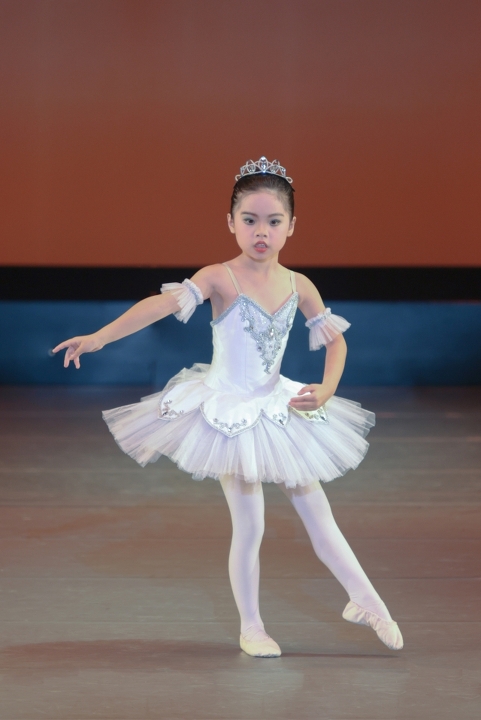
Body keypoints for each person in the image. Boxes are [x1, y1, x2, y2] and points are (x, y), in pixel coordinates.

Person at [53, 156, 403, 657]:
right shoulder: (219, 277)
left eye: (273, 221)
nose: (261, 232)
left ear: (291, 226)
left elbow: (336, 341)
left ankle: (367, 602)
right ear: (231, 223)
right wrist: (99, 337)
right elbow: (160, 306)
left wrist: (327, 388)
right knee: (251, 524)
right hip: (227, 416)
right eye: (250, 220)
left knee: (320, 514)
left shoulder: (299, 284)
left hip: (278, 409)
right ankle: (252, 627)